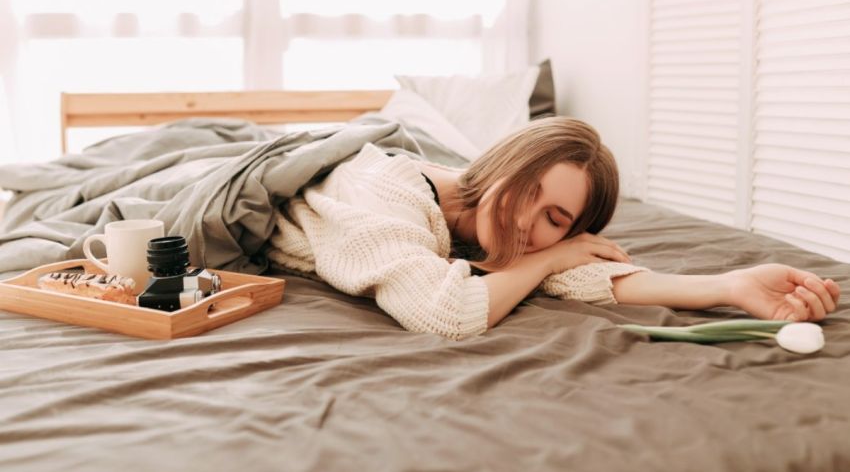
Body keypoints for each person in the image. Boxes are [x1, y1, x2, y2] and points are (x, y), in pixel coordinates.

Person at [267, 116, 841, 340]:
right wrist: (547, 256)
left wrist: (729, 285)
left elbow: (580, 273)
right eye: (527, 189)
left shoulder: (495, 229)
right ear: (503, 165)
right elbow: (445, 314)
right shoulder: (381, 194)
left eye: (554, 219)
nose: (524, 219)